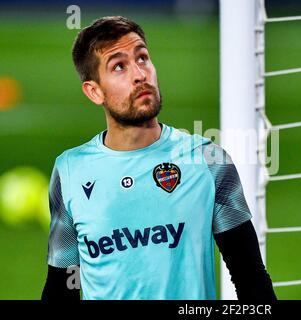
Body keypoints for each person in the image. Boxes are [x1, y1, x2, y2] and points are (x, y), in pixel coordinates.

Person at [41, 16, 276, 300]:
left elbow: (250, 279)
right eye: (119, 66)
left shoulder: (208, 161)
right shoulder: (70, 171)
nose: (140, 74)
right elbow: (63, 285)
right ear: (94, 91)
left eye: (142, 58)